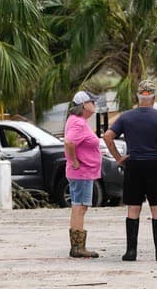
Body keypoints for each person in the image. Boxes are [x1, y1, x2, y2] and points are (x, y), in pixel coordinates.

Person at [103, 79, 157, 262]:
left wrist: (118, 158)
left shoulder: (126, 117)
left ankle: (131, 252)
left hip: (133, 164)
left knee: (133, 208)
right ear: (154, 97)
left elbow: (107, 136)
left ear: (138, 96)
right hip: (155, 164)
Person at [64, 90, 101, 258]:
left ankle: (76, 246)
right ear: (84, 105)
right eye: (92, 102)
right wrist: (74, 161)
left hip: (81, 172)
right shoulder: (78, 123)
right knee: (80, 207)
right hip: (82, 172)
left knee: (77, 206)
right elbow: (69, 142)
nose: (94, 105)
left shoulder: (76, 121)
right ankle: (79, 247)